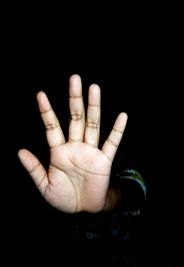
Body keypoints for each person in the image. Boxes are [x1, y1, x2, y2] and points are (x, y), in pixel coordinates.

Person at [18, 74, 146, 265]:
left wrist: (105, 202)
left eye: (105, 129)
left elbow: (132, 193)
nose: (92, 142)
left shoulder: (129, 173)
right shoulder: (62, 171)